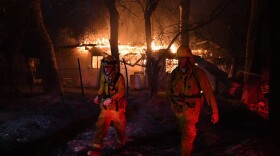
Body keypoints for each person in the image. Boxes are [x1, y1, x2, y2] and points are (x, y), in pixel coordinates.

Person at [167, 45, 219, 156]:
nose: (180, 60)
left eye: (182, 58)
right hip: (178, 110)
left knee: (188, 136)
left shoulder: (198, 73)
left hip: (192, 110)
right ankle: (189, 148)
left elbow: (208, 93)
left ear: (189, 59)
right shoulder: (174, 74)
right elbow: (169, 92)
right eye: (178, 58)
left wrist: (215, 111)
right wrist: (174, 101)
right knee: (184, 134)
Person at [90, 55, 127, 155]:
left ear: (113, 67)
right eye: (105, 67)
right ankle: (96, 148)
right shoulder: (103, 76)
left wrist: (111, 99)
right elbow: (102, 86)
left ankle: (121, 143)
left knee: (119, 127)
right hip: (105, 107)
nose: (106, 69)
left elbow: (121, 92)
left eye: (108, 67)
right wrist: (98, 95)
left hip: (117, 107)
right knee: (101, 125)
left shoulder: (119, 77)